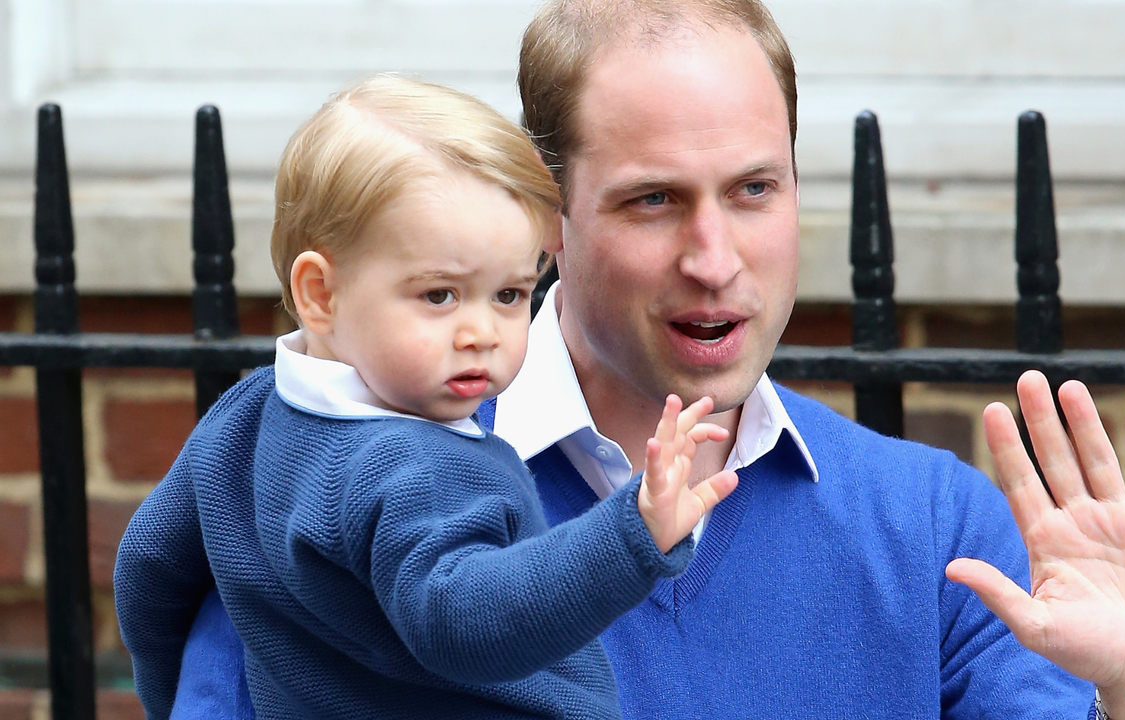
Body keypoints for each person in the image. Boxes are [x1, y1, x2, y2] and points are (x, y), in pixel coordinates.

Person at [165, 1, 1125, 719]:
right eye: (652, 199)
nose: (712, 260)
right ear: (550, 221)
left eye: (753, 189)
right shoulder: (316, 490)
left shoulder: (933, 526)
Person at [112, 75, 741, 720]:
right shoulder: (413, 468)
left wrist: (173, 699)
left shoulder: (243, 419)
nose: (481, 335)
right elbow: (464, 622)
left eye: (509, 295)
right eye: (439, 295)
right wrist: (632, 533)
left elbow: (148, 573)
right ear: (321, 294)